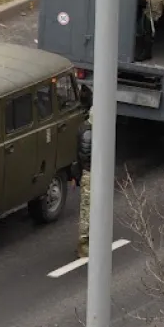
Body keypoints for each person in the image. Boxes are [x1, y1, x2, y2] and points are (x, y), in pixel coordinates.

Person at [76, 88, 93, 258]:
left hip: (89, 172)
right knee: (87, 211)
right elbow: (85, 153)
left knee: (88, 209)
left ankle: (87, 243)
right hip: (92, 174)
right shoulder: (90, 131)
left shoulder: (84, 127)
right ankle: (84, 245)